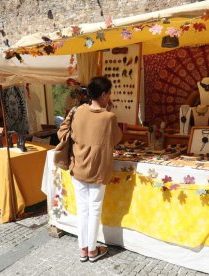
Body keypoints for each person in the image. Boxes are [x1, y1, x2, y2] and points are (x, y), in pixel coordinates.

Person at [58, 76, 122, 263]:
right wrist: (107, 112)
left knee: (83, 210)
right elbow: (116, 139)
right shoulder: (109, 117)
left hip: (78, 168)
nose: (110, 97)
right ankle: (93, 250)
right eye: (109, 93)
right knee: (94, 210)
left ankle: (83, 250)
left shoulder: (78, 111)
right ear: (103, 95)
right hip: (98, 171)